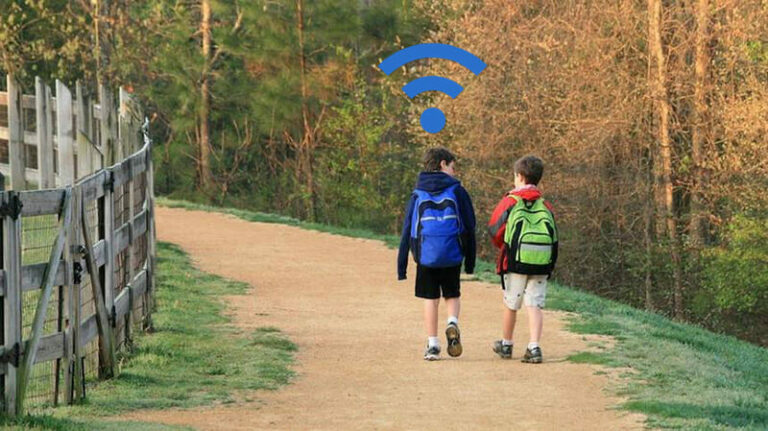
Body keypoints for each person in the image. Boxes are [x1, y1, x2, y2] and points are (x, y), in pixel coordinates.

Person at [398, 147, 476, 361]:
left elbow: (407, 229)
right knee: (452, 294)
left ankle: (433, 344)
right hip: (452, 251)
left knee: (430, 298)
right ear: (443, 164)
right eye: (453, 167)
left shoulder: (418, 193)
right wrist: (470, 260)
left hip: (426, 254)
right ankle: (452, 322)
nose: (454, 172)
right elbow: (470, 226)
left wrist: (402, 267)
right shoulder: (457, 191)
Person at [487, 155, 558, 363]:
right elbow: (554, 238)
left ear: (519, 176)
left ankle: (507, 344)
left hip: (515, 262)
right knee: (534, 304)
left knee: (511, 303)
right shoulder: (545, 205)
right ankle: (534, 347)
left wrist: (505, 247)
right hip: (541, 263)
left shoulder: (510, 201)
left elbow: (494, 229)